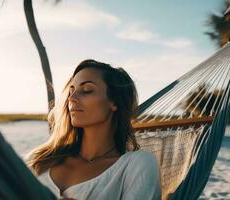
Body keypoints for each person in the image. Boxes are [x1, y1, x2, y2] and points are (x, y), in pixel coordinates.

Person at [26, 59, 161, 200]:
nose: (71, 98)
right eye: (71, 90)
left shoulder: (136, 164)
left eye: (86, 90)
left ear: (114, 102)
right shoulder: (42, 158)